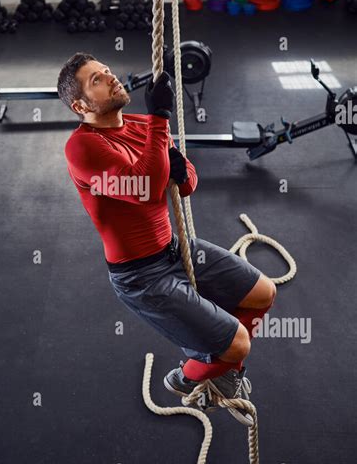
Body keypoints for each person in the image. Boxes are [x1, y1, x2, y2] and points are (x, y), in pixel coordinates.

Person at [57, 52, 276, 426]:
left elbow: (186, 181)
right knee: (239, 342)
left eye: (107, 71)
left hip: (174, 249)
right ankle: (186, 376)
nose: (110, 78)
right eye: (97, 80)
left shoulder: (143, 125)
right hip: (142, 277)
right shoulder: (82, 148)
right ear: (80, 105)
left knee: (263, 293)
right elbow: (144, 188)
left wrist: (175, 160)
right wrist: (161, 119)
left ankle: (218, 367)